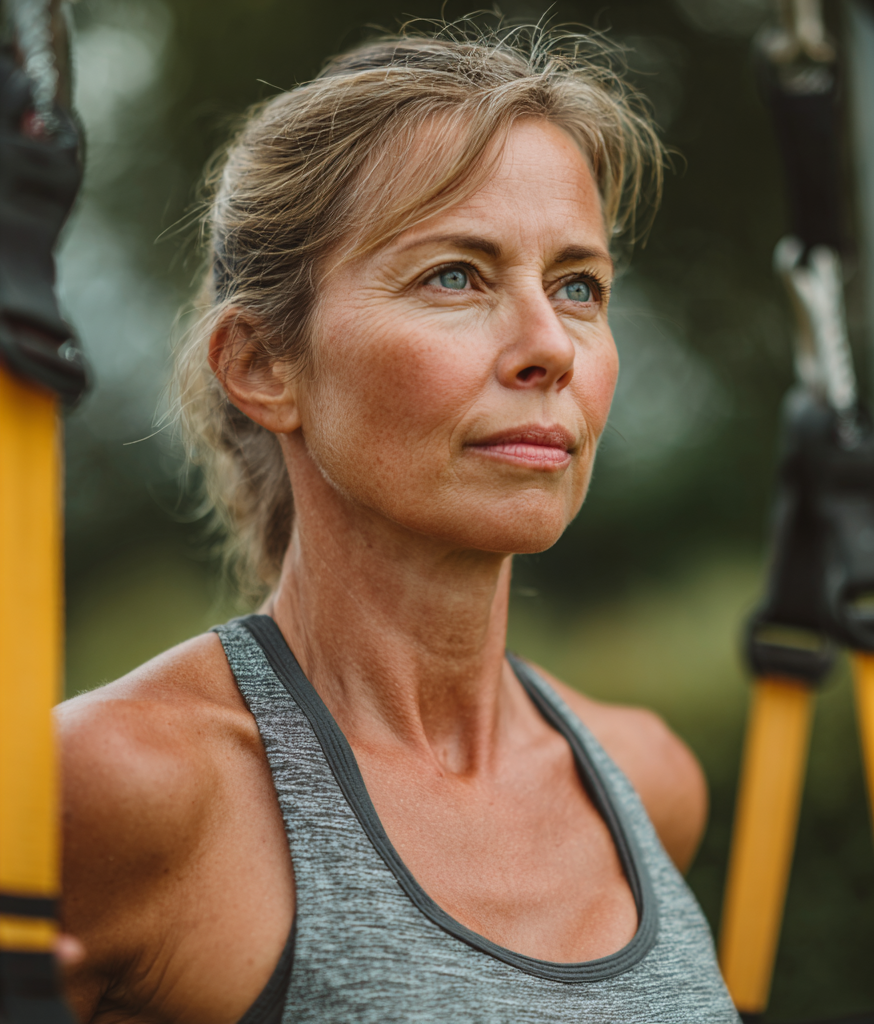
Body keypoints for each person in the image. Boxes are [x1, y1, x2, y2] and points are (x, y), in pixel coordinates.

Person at [56, 26, 740, 1023]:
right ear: (260, 366)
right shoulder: (121, 788)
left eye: (577, 285)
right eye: (455, 275)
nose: (549, 345)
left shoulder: (646, 779)